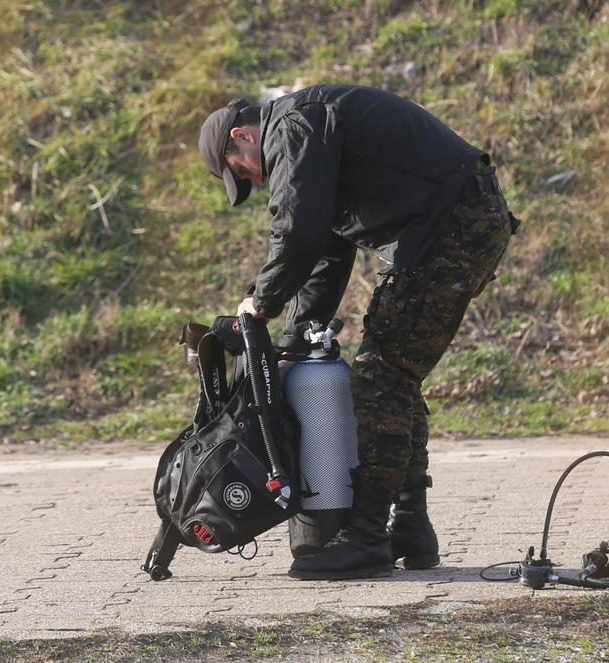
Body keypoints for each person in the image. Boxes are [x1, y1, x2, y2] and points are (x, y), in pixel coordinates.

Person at [198, 84, 519, 580]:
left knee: (377, 379)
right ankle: (410, 528)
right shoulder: (311, 136)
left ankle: (368, 535)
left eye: (240, 169)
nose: (252, 181)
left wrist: (260, 304)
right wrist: (292, 345)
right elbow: (326, 252)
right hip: (461, 222)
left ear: (242, 136)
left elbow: (298, 230)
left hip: (449, 227)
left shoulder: (294, 125)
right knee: (396, 375)